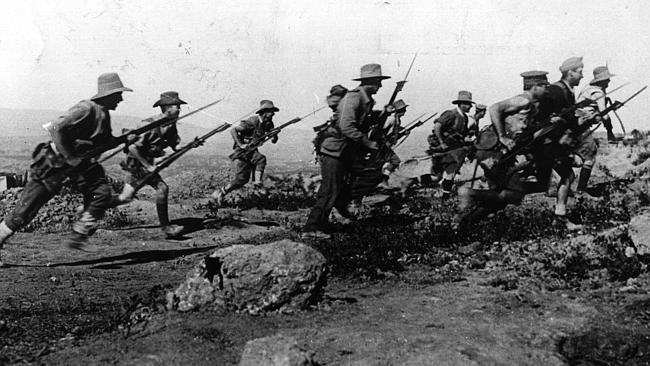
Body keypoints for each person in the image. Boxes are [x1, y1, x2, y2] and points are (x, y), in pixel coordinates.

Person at [0, 72, 134, 265]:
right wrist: (71, 158)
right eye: (118, 94)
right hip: (53, 165)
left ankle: (78, 235)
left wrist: (124, 139)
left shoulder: (103, 114)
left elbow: (103, 143)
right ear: (108, 95)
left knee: (101, 193)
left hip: (78, 167)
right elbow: (55, 128)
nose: (121, 99)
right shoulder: (86, 109)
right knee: (23, 214)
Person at [455, 71, 551, 229]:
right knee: (513, 194)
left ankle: (464, 226)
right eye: (544, 86)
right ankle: (468, 194)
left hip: (502, 152)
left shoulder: (532, 105)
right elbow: (494, 109)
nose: (547, 89)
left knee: (500, 199)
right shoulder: (523, 100)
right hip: (494, 150)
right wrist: (502, 136)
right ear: (534, 87)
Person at [302, 64, 388, 238]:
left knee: (372, 173)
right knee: (329, 190)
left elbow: (359, 121)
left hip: (346, 151)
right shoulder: (354, 98)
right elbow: (346, 126)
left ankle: (337, 206)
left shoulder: (364, 99)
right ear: (369, 82)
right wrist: (367, 142)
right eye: (378, 82)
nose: (380, 86)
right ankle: (312, 228)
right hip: (334, 150)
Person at [117, 91, 185, 238]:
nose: (179, 109)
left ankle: (88, 210)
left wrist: (192, 145)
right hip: (136, 165)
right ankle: (166, 227)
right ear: (167, 109)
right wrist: (148, 166)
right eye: (176, 106)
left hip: (146, 164)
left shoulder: (170, 125)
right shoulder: (149, 125)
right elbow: (132, 147)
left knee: (126, 197)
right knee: (160, 188)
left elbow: (175, 145)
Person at [211, 100, 279, 205]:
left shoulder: (269, 123)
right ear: (264, 112)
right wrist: (241, 144)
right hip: (242, 151)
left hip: (252, 150)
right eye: (271, 111)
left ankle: (220, 192)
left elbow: (274, 141)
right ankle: (257, 184)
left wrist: (274, 135)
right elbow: (233, 130)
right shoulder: (252, 121)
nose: (273, 114)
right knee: (258, 161)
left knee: (242, 179)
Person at [574, 66, 616, 193]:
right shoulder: (598, 93)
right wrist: (610, 129)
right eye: (607, 80)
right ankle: (581, 190)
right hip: (581, 125)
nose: (609, 82)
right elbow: (604, 114)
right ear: (602, 81)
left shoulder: (587, 89)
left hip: (575, 123)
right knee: (590, 155)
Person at [427, 90, 475, 197]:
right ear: (460, 104)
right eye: (467, 104)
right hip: (441, 149)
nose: (470, 107)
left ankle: (445, 198)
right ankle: (410, 181)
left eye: (470, 104)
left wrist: (466, 138)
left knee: (451, 174)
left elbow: (462, 134)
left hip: (453, 150)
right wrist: (441, 142)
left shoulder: (465, 118)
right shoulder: (451, 114)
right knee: (436, 177)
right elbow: (437, 126)